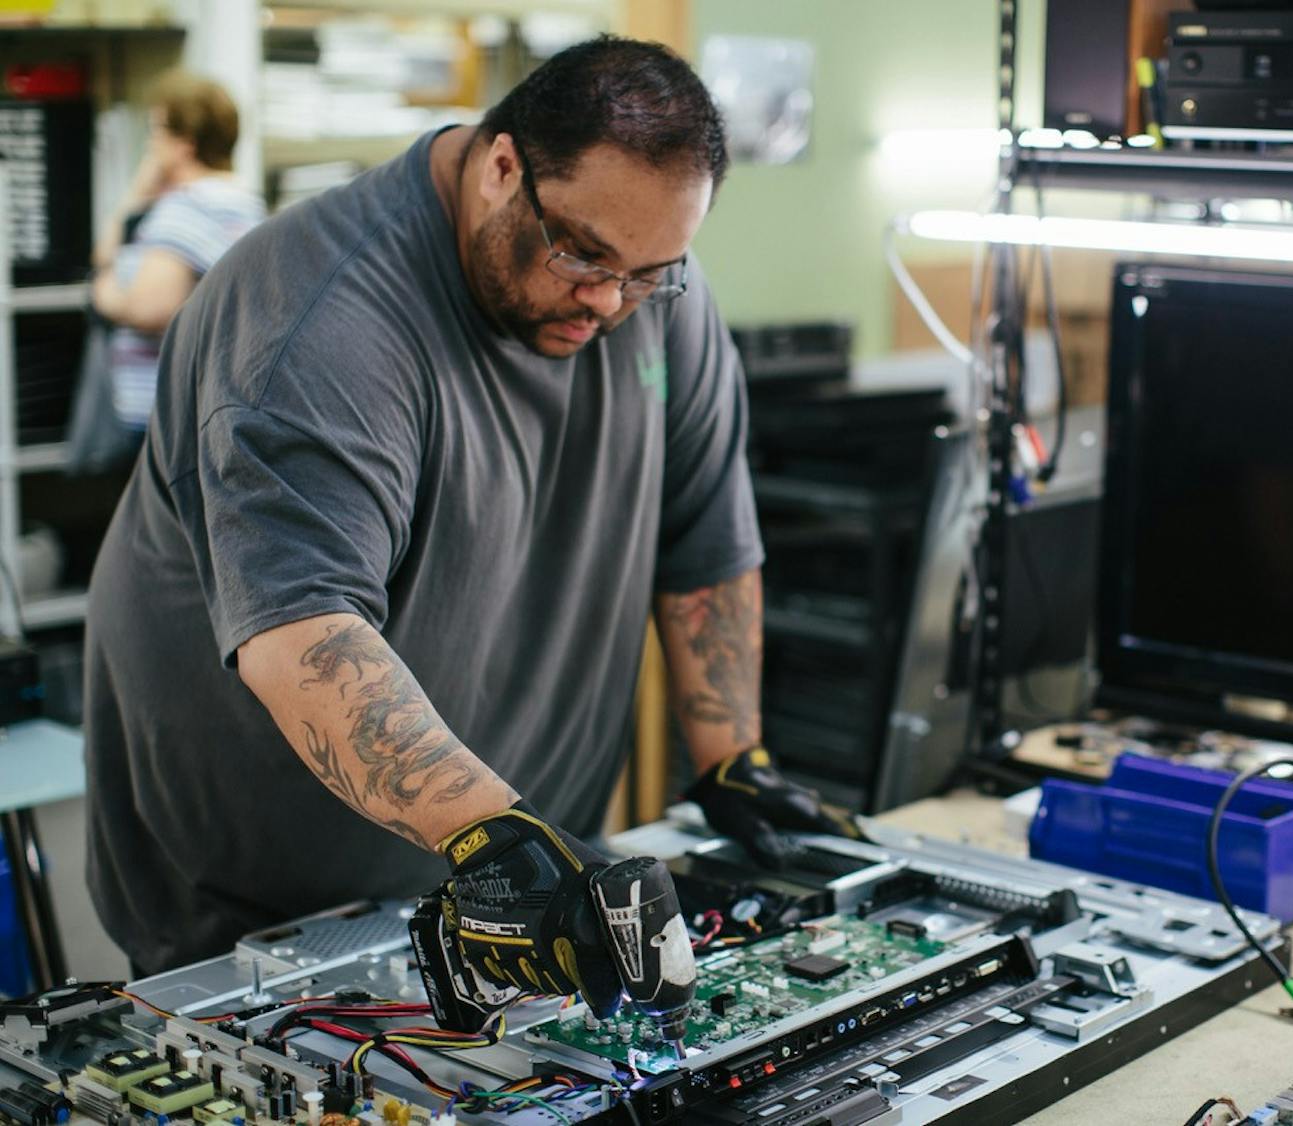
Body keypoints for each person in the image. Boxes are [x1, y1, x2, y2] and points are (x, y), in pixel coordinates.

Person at [84, 36, 859, 983]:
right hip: (267, 909)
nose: (610, 303)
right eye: (584, 255)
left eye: (650, 272)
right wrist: (492, 840)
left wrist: (732, 757)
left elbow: (705, 546)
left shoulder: (651, 298)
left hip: (521, 868)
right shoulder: (317, 319)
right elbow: (306, 635)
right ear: (501, 169)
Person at [87, 69, 264, 444]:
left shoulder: (187, 209)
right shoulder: (243, 203)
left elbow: (149, 309)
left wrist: (103, 293)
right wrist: (141, 191)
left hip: (166, 413)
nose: (150, 144)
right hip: (206, 405)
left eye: (156, 131)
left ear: (184, 143)